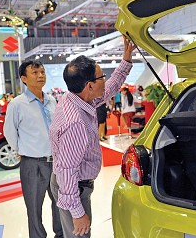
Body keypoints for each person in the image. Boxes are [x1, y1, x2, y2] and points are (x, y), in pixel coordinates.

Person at [49, 35, 136, 237]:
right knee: (80, 233)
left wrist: (126, 61)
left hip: (74, 185)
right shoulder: (75, 123)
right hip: (73, 189)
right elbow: (67, 170)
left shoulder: (76, 98)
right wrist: (78, 213)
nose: (104, 80)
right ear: (89, 85)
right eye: (101, 77)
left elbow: (110, 87)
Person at [3, 60, 63, 238]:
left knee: (61, 204)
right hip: (32, 163)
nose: (40, 76)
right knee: (34, 208)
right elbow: (9, 132)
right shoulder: (17, 104)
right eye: (35, 73)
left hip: (56, 162)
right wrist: (22, 150)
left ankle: (61, 234)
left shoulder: (52, 100)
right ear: (24, 78)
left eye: (42, 72)